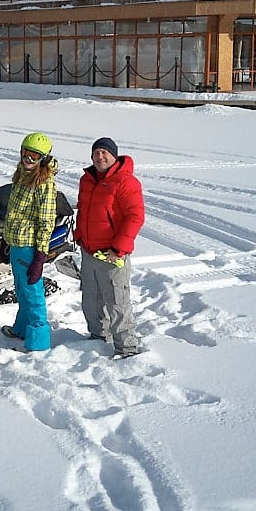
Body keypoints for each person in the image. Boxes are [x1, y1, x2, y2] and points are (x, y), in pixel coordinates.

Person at [74, 136, 146, 358]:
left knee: (117, 301)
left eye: (104, 152)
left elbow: (135, 216)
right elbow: (84, 211)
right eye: (96, 152)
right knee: (91, 298)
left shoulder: (125, 182)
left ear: (114, 156)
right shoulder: (87, 180)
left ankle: (127, 347)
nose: (100, 156)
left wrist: (118, 248)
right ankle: (98, 337)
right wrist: (79, 235)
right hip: (89, 250)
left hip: (112, 254)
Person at [1, 132, 60, 352]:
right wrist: (7, 240)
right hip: (16, 243)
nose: (28, 159)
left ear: (43, 158)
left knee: (33, 294)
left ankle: (38, 342)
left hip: (30, 247)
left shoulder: (44, 183)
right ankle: (21, 329)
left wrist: (40, 256)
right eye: (26, 153)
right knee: (21, 289)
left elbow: (45, 221)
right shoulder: (23, 174)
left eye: (34, 156)